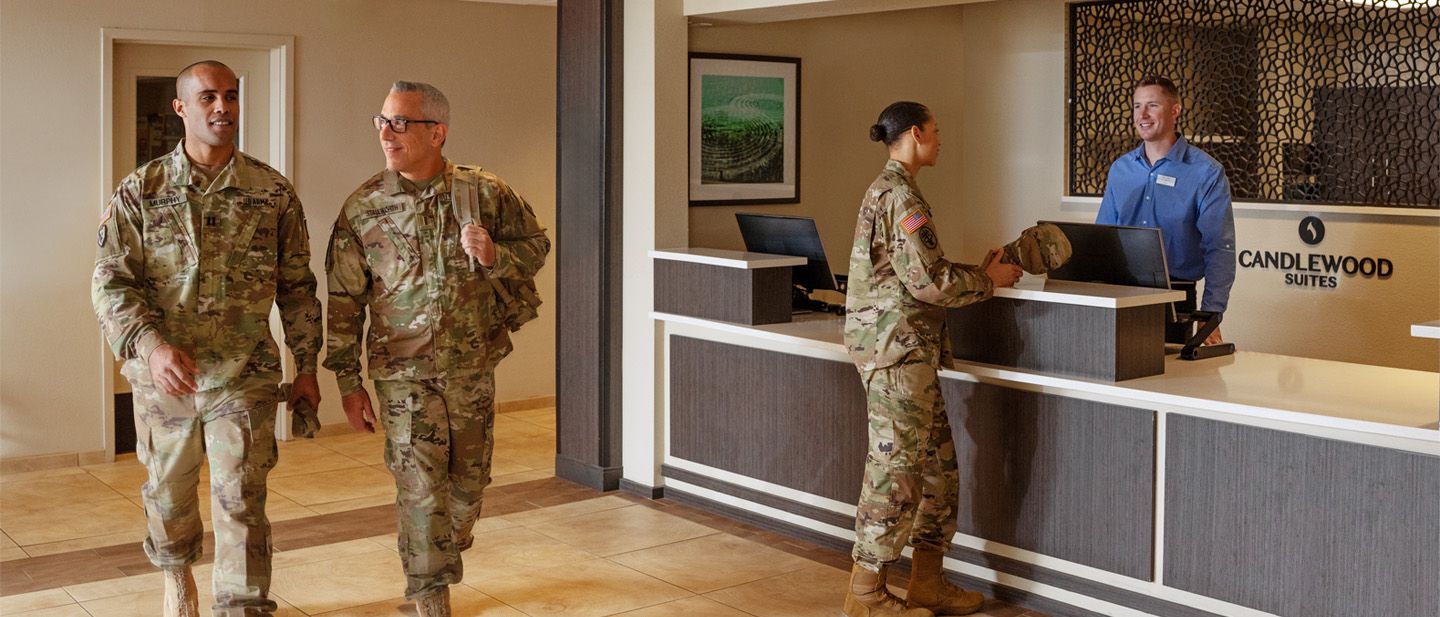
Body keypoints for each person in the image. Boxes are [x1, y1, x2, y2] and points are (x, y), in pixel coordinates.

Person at [91, 60, 322, 617]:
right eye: (208, 97)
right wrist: (151, 344)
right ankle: (176, 572)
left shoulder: (271, 193)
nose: (222, 107)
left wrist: (308, 364)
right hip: (164, 379)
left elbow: (296, 286)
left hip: (243, 374)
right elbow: (110, 281)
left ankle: (240, 605)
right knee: (169, 494)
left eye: (231, 97)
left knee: (241, 497)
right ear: (181, 108)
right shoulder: (141, 191)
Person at [324, 81, 550, 617]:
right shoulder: (364, 207)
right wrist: (347, 381)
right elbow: (343, 299)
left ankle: (442, 556)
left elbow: (536, 245)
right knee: (421, 490)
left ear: (437, 132)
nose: (387, 133)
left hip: (471, 368)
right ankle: (428, 596)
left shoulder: (485, 192)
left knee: (468, 489)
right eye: (381, 121)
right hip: (402, 376)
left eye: (400, 122)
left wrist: (496, 255)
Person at [842, 101, 1027, 617]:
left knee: (936, 472)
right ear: (915, 134)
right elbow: (928, 282)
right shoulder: (901, 197)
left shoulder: (894, 190)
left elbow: (919, 270)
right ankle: (865, 597)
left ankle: (927, 583)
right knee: (896, 473)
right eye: (937, 131)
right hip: (898, 355)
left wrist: (979, 271)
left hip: (909, 354)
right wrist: (991, 281)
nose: (941, 140)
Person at [1095, 75, 1236, 345]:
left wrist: (1211, 314)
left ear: (1175, 110)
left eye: (1152, 105)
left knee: (1168, 382)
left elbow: (1220, 248)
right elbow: (1103, 240)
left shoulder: (1206, 173)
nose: (1142, 115)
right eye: (1137, 106)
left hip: (1176, 300)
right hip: (1121, 296)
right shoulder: (1120, 170)